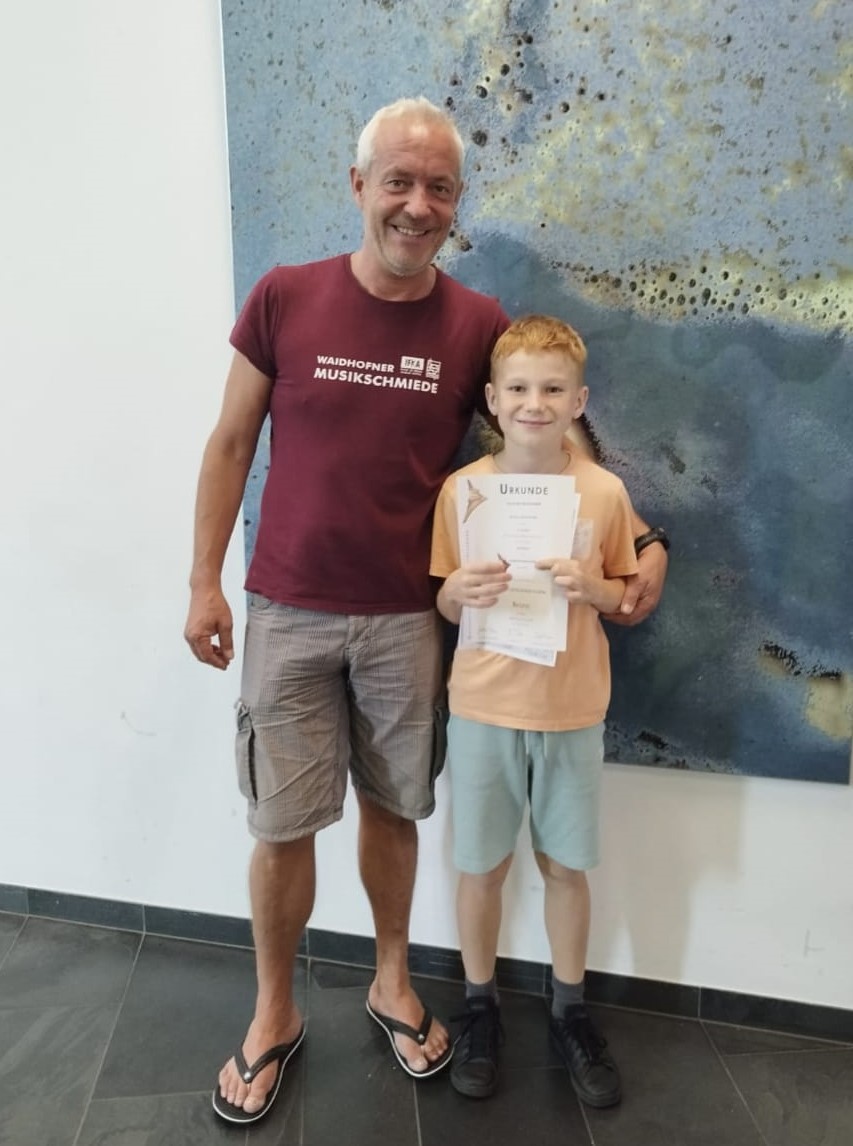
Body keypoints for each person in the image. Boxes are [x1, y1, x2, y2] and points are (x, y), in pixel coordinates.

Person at [184, 97, 668, 1126]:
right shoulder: (283, 296)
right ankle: (273, 1012)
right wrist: (201, 582)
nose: (416, 204)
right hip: (288, 607)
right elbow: (228, 442)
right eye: (398, 181)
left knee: (394, 808)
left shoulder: (477, 325)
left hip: (410, 615)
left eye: (438, 187)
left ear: (456, 204)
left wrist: (647, 538)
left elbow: (549, 440)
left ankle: (393, 981)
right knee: (280, 824)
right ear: (358, 185)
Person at [430, 314, 640, 1107]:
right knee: (480, 865)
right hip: (483, 705)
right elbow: (444, 601)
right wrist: (457, 591)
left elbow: (624, 595)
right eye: (517, 388)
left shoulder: (604, 492)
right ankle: (479, 1006)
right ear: (491, 398)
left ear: (578, 400)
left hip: (571, 707)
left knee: (564, 866)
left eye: (552, 389)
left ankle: (569, 1008)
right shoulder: (462, 491)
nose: (534, 403)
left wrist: (597, 590)